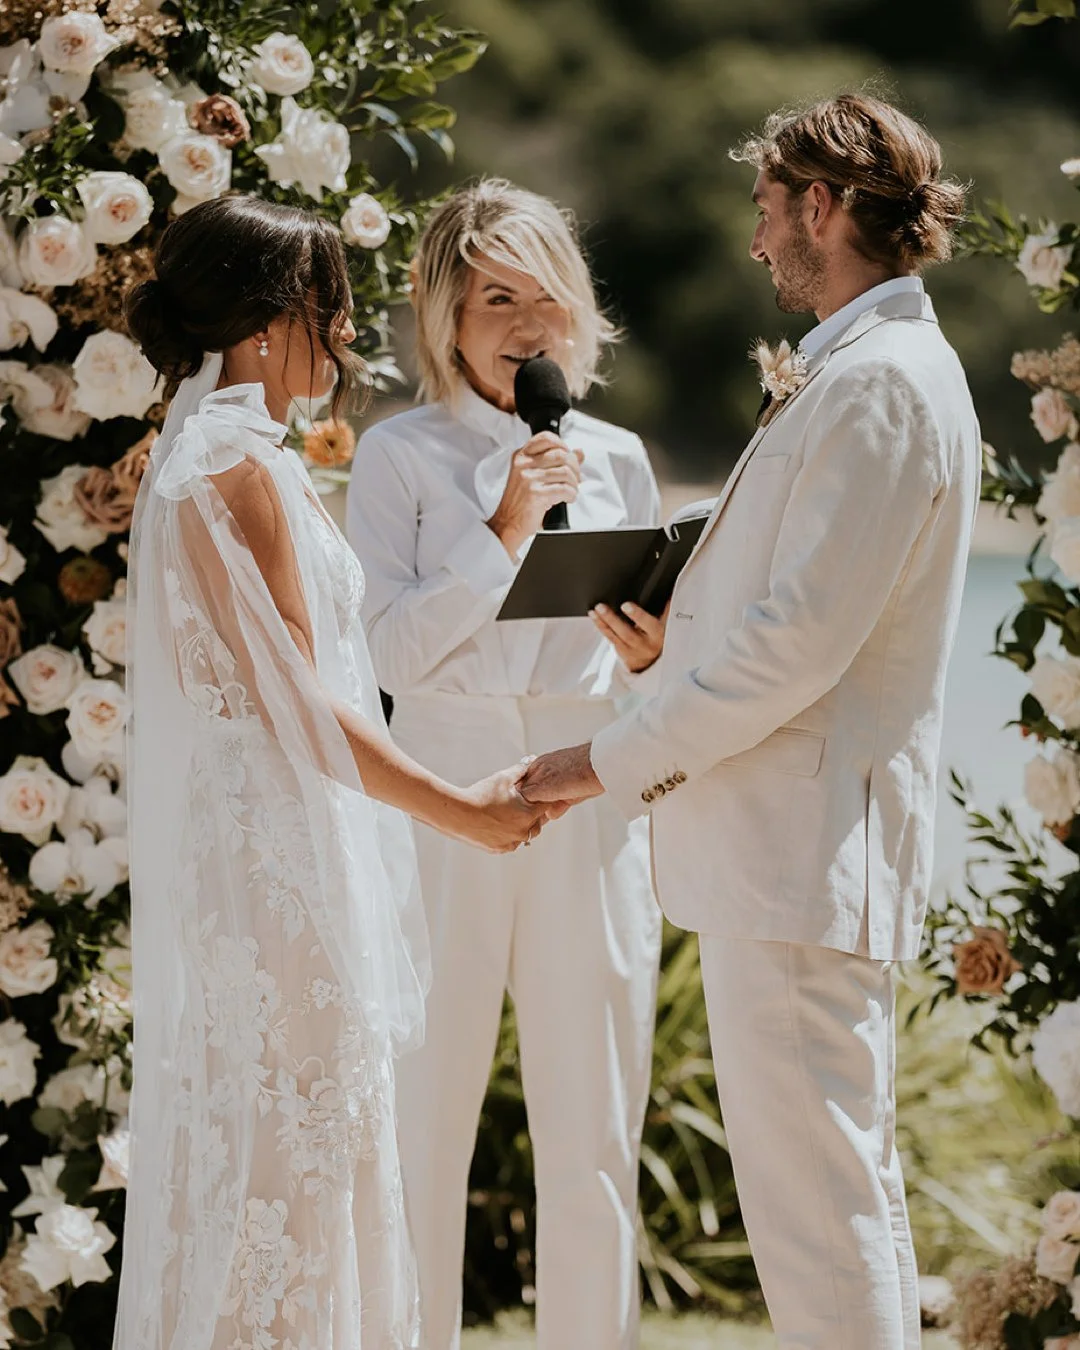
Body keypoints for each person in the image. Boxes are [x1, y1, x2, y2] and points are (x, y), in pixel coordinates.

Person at [522, 94, 979, 1350]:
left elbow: (801, 644)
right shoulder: (860, 368)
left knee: (818, 1206)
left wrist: (604, 758)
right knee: (834, 1190)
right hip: (787, 845)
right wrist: (679, 644)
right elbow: (799, 618)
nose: (757, 240)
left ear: (823, 207)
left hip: (799, 851)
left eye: (770, 210)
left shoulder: (881, 383)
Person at [117, 194, 551, 1350]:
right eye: (332, 310)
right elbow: (302, 707)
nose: (349, 337)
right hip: (280, 864)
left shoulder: (202, 452)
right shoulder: (238, 469)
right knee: (299, 1170)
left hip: (255, 847)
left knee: (266, 1158)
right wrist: (463, 809)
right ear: (266, 324)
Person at [346, 179, 664, 1350]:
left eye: (547, 297)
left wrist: (653, 652)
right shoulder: (400, 456)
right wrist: (505, 532)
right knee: (429, 1107)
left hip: (590, 789)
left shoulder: (621, 457)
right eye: (497, 297)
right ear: (447, 313)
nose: (530, 324)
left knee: (595, 1117)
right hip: (446, 784)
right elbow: (385, 652)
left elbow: (651, 664)